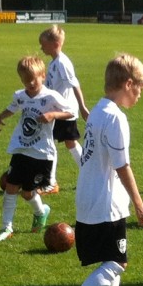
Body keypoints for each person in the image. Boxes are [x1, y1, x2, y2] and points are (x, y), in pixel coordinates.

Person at [46, 54, 143, 286]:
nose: (140, 93)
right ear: (128, 84)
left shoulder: (98, 112)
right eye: (139, 87)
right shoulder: (116, 118)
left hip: (91, 197)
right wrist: (140, 203)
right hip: (106, 202)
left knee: (111, 259)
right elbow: (122, 165)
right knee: (117, 263)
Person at [0, 56, 74, 242]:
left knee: (27, 192)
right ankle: (6, 228)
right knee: (11, 188)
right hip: (21, 149)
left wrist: (53, 114)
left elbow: (71, 112)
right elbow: (12, 108)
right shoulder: (20, 96)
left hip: (41, 153)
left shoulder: (50, 96)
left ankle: (40, 211)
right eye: (24, 79)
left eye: (33, 79)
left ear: (42, 76)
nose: (29, 83)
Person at [39, 25, 90, 195]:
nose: (41, 48)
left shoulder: (62, 62)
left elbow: (75, 84)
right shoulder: (54, 62)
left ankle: (51, 183)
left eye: (43, 44)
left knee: (52, 145)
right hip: (58, 110)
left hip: (64, 111)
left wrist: (82, 107)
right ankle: (90, 174)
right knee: (69, 143)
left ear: (55, 44)